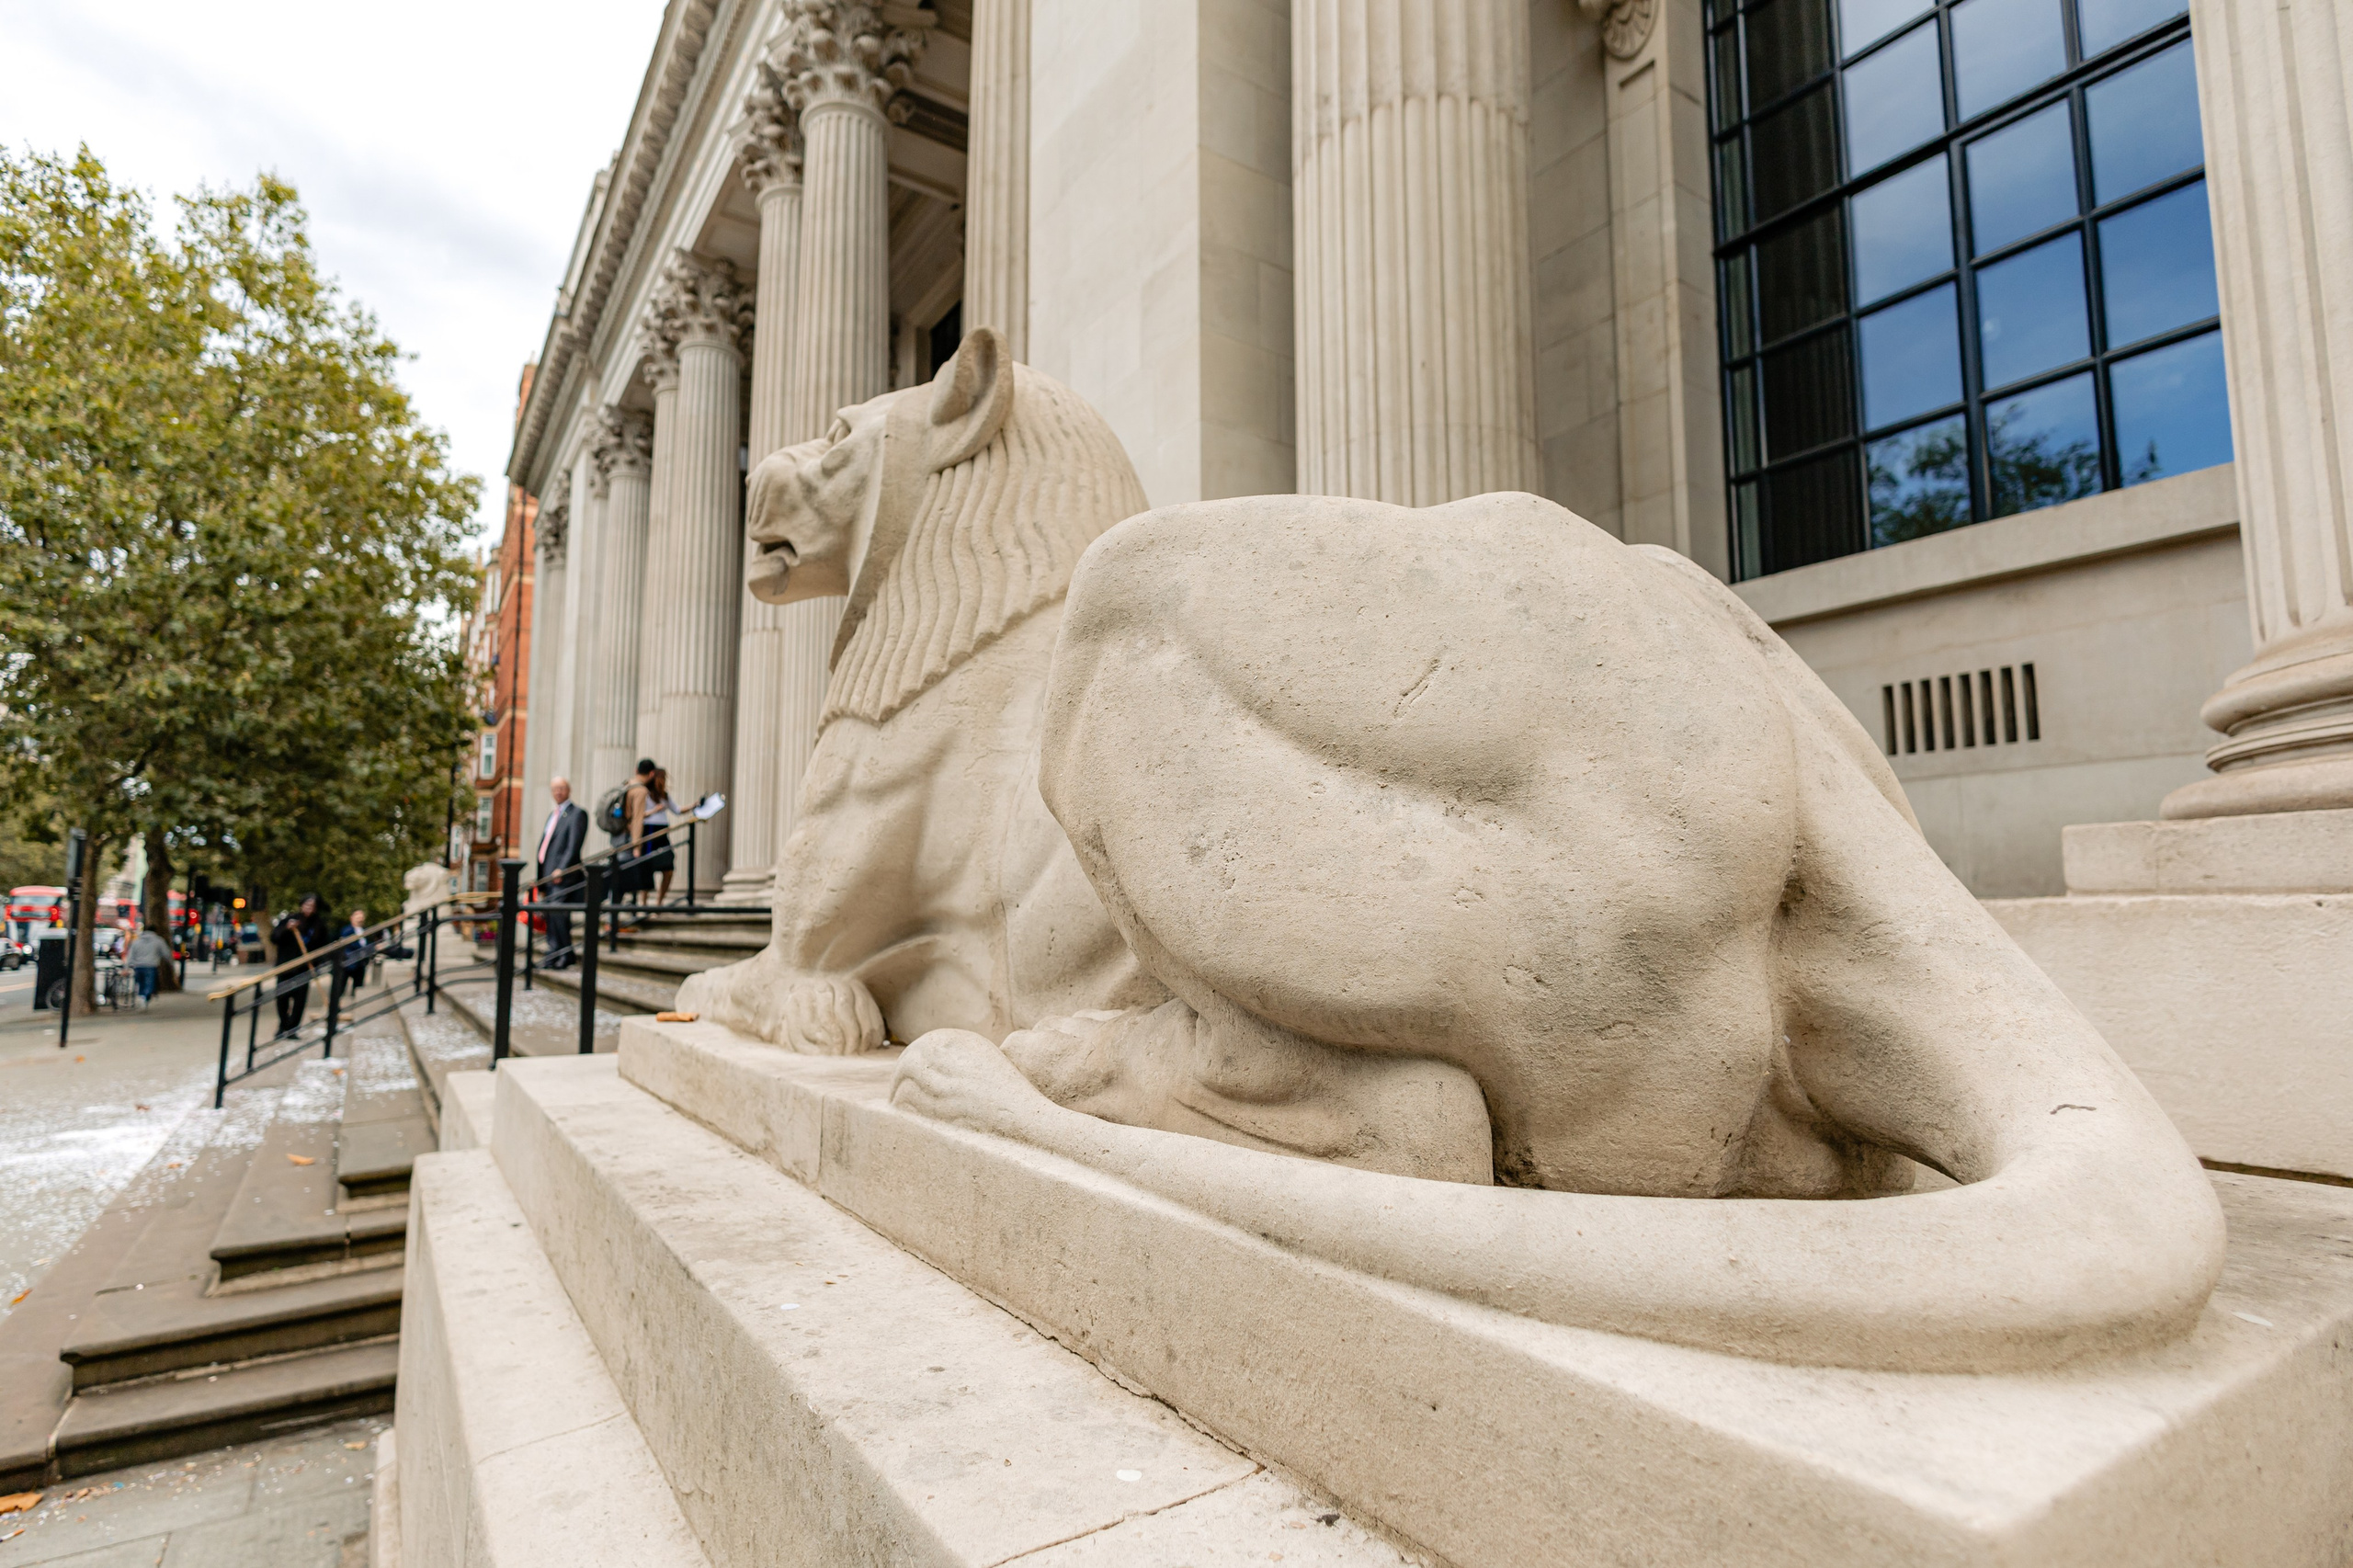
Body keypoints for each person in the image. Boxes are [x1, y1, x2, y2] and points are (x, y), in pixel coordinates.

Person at [535, 778, 588, 967]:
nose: (557, 792)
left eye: (561, 788)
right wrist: (541, 879)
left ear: (569, 790)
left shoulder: (577, 814)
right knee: (550, 914)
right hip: (548, 876)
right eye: (554, 789)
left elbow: (573, 845)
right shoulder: (553, 815)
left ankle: (565, 954)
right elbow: (545, 847)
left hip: (563, 876)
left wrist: (562, 870)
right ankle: (553, 954)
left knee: (559, 914)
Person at [270, 894, 328, 1038]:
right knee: (282, 998)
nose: (309, 908)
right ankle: (283, 1025)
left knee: (299, 1000)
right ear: (302, 905)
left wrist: (317, 961)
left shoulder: (318, 924)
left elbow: (323, 945)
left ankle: (292, 1029)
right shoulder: (290, 920)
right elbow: (274, 938)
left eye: (313, 906)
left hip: (304, 968)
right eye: (307, 905)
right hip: (286, 967)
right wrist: (286, 929)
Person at [631, 767, 679, 904]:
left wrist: (695, 805)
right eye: (661, 778)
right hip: (649, 831)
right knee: (647, 868)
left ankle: (659, 902)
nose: (663, 781)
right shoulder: (644, 793)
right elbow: (638, 814)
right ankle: (644, 903)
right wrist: (653, 811)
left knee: (668, 868)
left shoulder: (664, 795)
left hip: (662, 832)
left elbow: (677, 809)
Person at [330, 907, 373, 1013]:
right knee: (340, 987)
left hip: (360, 963)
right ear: (351, 918)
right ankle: (334, 1010)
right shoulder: (347, 930)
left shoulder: (365, 931)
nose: (360, 918)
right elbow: (351, 944)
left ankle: (356, 1008)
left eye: (361, 916)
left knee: (358, 987)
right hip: (348, 963)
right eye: (357, 916)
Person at [125, 922, 171, 1008]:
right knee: (149, 984)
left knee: (140, 983)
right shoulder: (158, 940)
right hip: (151, 966)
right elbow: (166, 953)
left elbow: (130, 954)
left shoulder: (137, 941)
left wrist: (126, 967)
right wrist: (169, 962)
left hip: (138, 966)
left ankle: (141, 996)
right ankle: (144, 997)